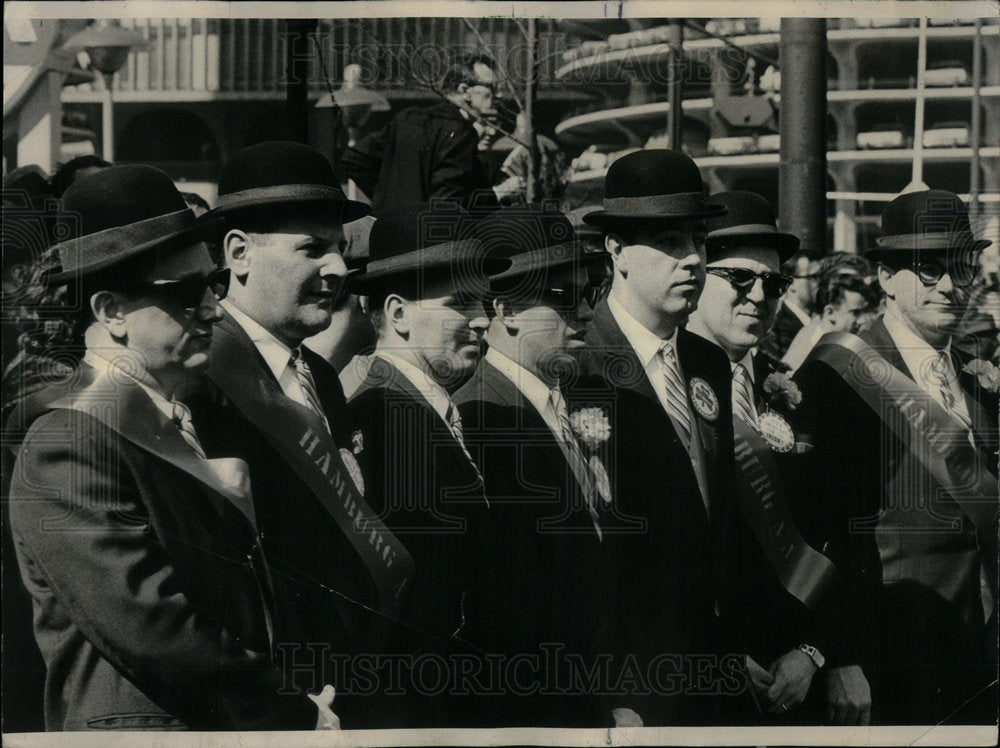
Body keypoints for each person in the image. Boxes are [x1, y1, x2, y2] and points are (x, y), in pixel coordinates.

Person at [6, 165, 331, 731]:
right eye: (183, 293)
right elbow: (151, 627)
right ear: (110, 312)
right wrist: (290, 709)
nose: (209, 307)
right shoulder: (68, 440)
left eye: (213, 285)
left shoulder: (180, 414)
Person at [186, 141, 403, 728]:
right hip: (267, 699)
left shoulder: (321, 378)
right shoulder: (200, 381)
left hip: (341, 685)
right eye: (311, 249)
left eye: (338, 250)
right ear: (238, 254)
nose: (336, 269)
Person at [792, 189, 999, 725]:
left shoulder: (980, 373)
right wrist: (841, 654)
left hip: (979, 648)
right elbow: (819, 529)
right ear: (885, 277)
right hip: (891, 652)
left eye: (961, 269)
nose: (950, 287)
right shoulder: (838, 375)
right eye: (929, 270)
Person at [571, 149, 743, 725]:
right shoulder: (578, 365)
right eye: (670, 243)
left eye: (699, 241)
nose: (693, 259)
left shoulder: (707, 361)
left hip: (718, 669)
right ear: (615, 252)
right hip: (632, 683)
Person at [687, 190, 872, 725]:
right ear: (697, 275)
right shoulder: (666, 391)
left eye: (773, 284)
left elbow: (836, 533)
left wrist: (820, 652)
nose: (758, 297)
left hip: (801, 675)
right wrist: (715, 657)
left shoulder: (794, 390)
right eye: (739, 279)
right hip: (709, 680)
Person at [345, 203, 509, 726]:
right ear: (397, 315)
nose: (483, 318)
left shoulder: (414, 408)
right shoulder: (383, 416)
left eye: (484, 302)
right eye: (460, 302)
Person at [452, 206, 611, 726]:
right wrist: (594, 713)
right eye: (563, 297)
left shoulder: (559, 397)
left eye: (589, 295)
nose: (585, 314)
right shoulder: (480, 417)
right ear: (507, 310)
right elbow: (518, 609)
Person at [341, 54, 501, 211]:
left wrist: (388, 198)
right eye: (492, 87)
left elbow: (355, 159)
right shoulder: (461, 132)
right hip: (426, 233)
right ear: (464, 90)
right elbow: (447, 204)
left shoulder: (409, 117)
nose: (498, 95)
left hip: (387, 229)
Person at [782, 270, 881, 372]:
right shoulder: (812, 350)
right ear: (830, 313)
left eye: (863, 312)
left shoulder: (818, 337)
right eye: (855, 313)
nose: (862, 320)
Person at [758, 250, 820, 363]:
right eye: (814, 277)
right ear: (790, 283)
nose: (821, 283)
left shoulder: (815, 320)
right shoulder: (778, 332)